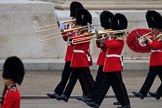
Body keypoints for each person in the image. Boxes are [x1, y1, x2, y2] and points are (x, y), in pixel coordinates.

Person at [47, 1, 92, 99]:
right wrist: (63, 29)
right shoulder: (73, 25)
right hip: (71, 54)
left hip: (78, 54)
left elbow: (76, 39)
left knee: (83, 76)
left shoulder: (83, 26)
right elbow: (66, 38)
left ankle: (90, 93)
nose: (73, 19)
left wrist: (73, 32)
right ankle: (59, 92)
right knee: (67, 75)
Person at [86, 13, 130, 108]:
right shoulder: (112, 39)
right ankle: (96, 102)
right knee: (104, 86)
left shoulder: (120, 40)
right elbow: (105, 49)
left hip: (114, 66)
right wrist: (102, 43)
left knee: (119, 86)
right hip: (108, 65)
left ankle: (126, 104)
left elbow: (111, 45)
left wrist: (105, 40)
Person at [57, 8, 94, 102]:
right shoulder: (79, 32)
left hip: (81, 59)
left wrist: (73, 34)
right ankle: (66, 95)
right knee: (75, 78)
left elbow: (76, 40)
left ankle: (93, 95)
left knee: (85, 78)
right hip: (76, 58)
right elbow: (69, 39)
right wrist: (63, 29)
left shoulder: (86, 33)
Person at [132, 10, 162, 100]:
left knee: (150, 78)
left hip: (160, 61)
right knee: (149, 78)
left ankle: (157, 93)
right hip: (154, 61)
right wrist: (143, 41)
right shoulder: (154, 37)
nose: (152, 30)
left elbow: (155, 46)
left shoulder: (161, 36)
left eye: (154, 29)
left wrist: (148, 40)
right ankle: (142, 93)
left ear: (158, 28)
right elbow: (148, 46)